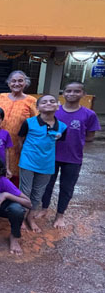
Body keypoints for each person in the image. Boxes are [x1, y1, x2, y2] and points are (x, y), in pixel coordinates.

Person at [39, 82, 101, 229]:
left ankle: (60, 215)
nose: (72, 94)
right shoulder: (54, 111)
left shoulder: (89, 114)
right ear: (63, 93)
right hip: (51, 156)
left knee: (67, 187)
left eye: (76, 91)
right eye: (68, 91)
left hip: (73, 158)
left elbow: (90, 137)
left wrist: (73, 142)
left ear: (83, 94)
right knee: (46, 185)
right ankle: (44, 208)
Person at [18, 94, 67, 233]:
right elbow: (20, 139)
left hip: (47, 164)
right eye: (44, 102)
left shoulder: (62, 127)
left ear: (57, 106)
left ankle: (31, 218)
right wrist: (24, 155)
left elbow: (57, 143)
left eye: (52, 101)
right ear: (38, 107)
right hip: (28, 162)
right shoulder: (29, 122)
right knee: (25, 191)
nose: (48, 103)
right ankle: (21, 218)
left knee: (38, 193)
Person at [0, 70, 37, 186]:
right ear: (8, 83)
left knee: (14, 173)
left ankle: (11, 199)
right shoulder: (2, 97)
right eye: (13, 81)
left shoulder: (31, 100)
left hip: (18, 144)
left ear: (25, 83)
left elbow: (36, 122)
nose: (17, 84)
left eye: (20, 81)